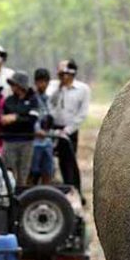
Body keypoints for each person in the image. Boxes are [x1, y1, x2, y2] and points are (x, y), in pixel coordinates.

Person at [48, 59, 90, 197]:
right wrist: (59, 87)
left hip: (69, 130)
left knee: (69, 161)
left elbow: (82, 114)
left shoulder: (82, 89)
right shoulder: (53, 86)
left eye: (66, 74)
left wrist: (67, 130)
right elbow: (49, 104)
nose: (63, 77)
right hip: (52, 129)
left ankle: (75, 191)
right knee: (50, 161)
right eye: (60, 74)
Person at [1, 71, 39, 184]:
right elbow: (4, 119)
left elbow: (32, 119)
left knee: (24, 171)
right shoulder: (8, 101)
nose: (12, 87)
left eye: (14, 84)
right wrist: (18, 118)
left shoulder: (33, 100)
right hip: (10, 140)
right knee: (10, 171)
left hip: (26, 141)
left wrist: (16, 118)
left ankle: (22, 192)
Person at [30, 68, 55, 185]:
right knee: (33, 171)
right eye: (40, 82)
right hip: (35, 141)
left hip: (47, 140)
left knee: (48, 170)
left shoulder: (48, 99)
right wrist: (36, 130)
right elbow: (31, 117)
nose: (43, 85)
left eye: (45, 82)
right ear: (35, 82)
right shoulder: (31, 98)